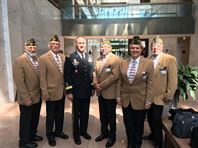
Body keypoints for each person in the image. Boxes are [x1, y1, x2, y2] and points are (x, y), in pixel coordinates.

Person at [117, 36, 154, 148]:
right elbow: (119, 81)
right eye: (133, 48)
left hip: (141, 99)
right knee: (128, 123)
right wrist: (118, 96)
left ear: (141, 49)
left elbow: (151, 83)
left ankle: (137, 143)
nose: (135, 50)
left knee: (139, 123)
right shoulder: (123, 63)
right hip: (126, 99)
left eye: (137, 48)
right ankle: (130, 142)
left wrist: (149, 100)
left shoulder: (148, 63)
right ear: (130, 49)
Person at [143, 36, 178, 148]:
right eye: (153, 46)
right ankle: (153, 134)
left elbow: (173, 80)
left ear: (162, 46)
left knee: (156, 119)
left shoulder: (169, 59)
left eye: (157, 46)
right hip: (148, 96)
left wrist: (169, 95)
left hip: (160, 97)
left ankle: (158, 141)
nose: (154, 48)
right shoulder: (148, 59)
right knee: (150, 117)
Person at [39, 35, 68, 147]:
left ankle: (59, 131)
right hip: (50, 92)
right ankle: (50, 134)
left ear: (59, 45)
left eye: (57, 44)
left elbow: (65, 74)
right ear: (49, 45)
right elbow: (42, 78)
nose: (55, 46)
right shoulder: (43, 58)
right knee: (51, 115)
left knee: (60, 114)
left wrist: (67, 89)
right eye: (53, 44)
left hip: (62, 92)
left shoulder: (63, 56)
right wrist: (45, 92)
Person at [64, 36, 94, 145]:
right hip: (76, 92)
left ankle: (83, 131)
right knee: (76, 115)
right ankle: (76, 134)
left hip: (86, 91)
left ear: (85, 44)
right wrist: (69, 91)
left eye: (83, 43)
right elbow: (67, 76)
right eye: (79, 43)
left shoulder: (90, 57)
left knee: (85, 113)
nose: (81, 45)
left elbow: (91, 74)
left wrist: (92, 88)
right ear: (76, 44)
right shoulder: (70, 57)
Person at [13, 38, 43, 148]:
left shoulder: (37, 59)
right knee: (26, 120)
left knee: (34, 118)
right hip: (27, 97)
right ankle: (24, 142)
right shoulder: (19, 61)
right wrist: (26, 98)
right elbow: (19, 82)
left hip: (37, 95)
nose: (32, 49)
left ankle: (32, 135)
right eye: (30, 47)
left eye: (34, 47)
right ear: (25, 48)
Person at [94, 39, 120, 148]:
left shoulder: (116, 59)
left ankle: (112, 136)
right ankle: (104, 133)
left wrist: (101, 85)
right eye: (102, 46)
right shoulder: (98, 59)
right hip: (100, 92)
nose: (103, 48)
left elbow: (114, 76)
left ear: (110, 48)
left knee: (111, 116)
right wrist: (95, 84)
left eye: (105, 46)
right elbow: (94, 73)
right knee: (103, 115)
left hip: (110, 92)